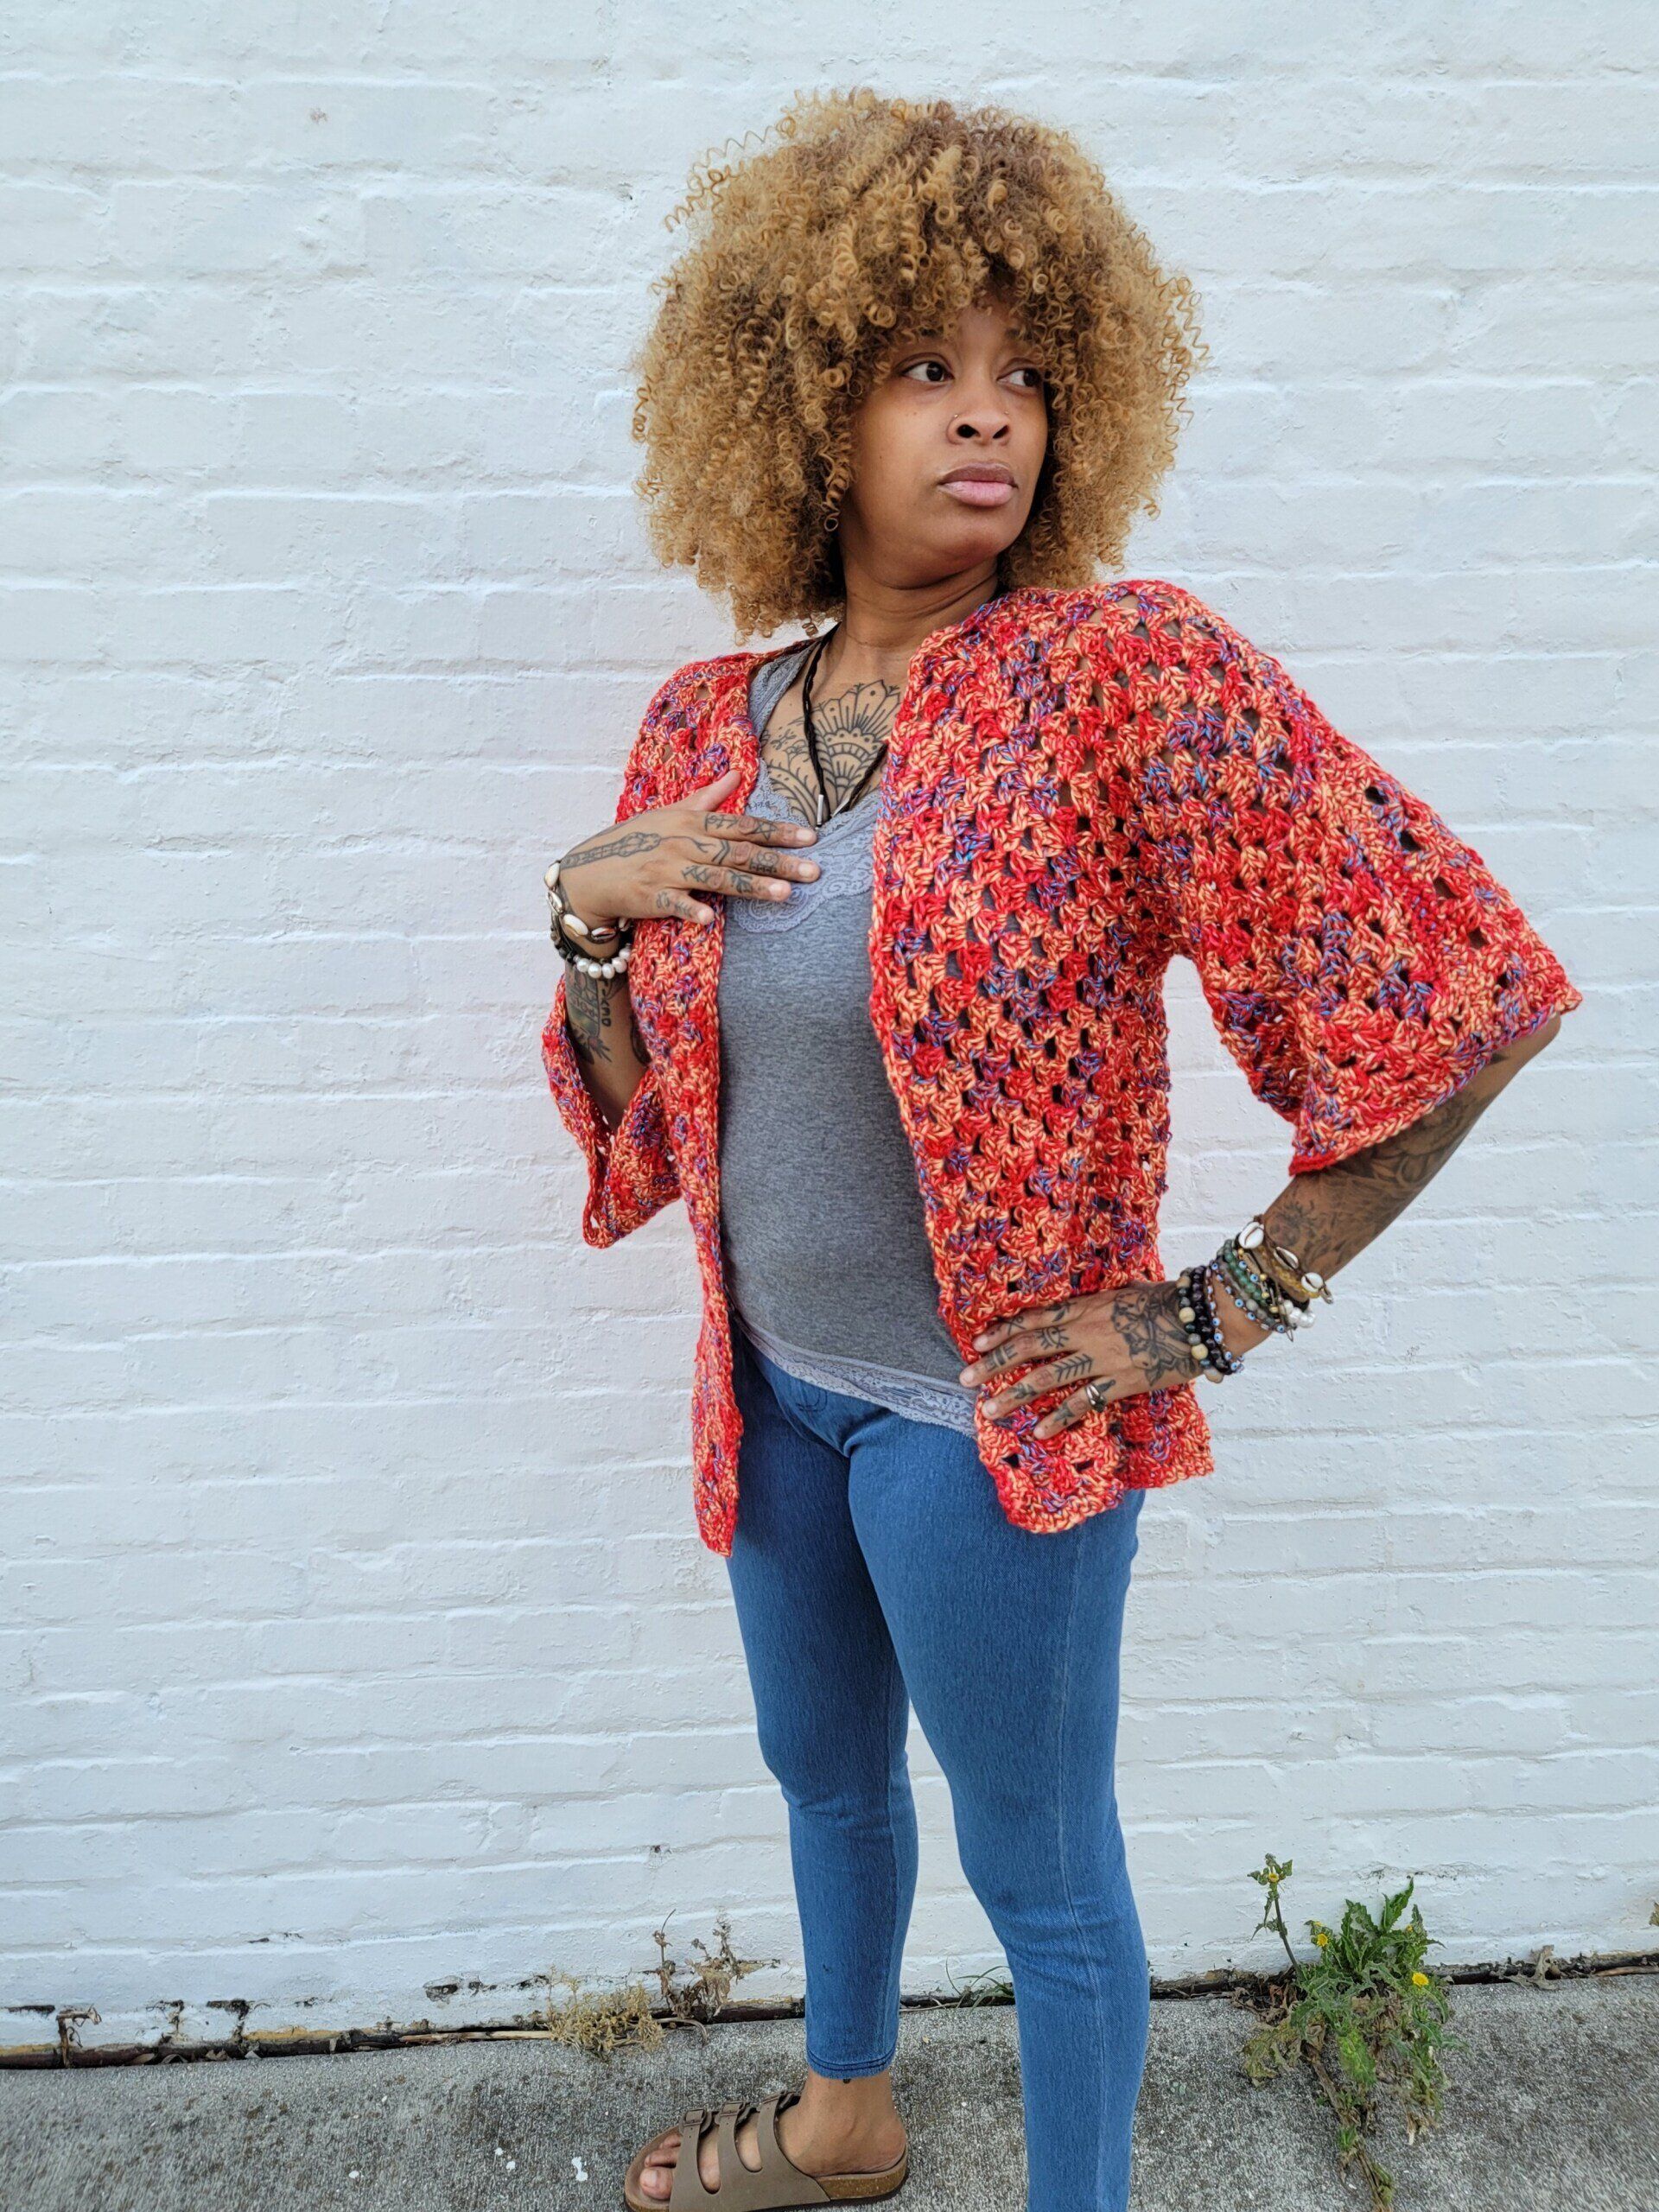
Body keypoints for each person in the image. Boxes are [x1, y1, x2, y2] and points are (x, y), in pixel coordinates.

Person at [537, 88, 1582, 2212]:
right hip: (773, 1384)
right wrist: (588, 909)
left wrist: (1221, 1306)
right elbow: (641, 1114)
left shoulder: (1122, 677)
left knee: (1047, 1876)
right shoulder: (699, 725)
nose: (986, 417)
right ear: (808, 397)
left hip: (982, 1410)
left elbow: (1460, 994)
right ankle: (848, 2118)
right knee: (825, 1778)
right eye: (927, 365)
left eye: (1026, 372)